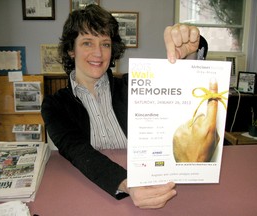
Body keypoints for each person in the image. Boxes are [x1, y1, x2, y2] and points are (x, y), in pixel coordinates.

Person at [41, 4, 202, 209]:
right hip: (95, 191)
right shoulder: (55, 105)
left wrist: (184, 58)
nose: (98, 53)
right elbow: (78, 151)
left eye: (105, 44)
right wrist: (127, 184)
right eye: (87, 43)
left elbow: (180, 96)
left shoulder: (133, 85)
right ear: (71, 50)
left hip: (156, 185)